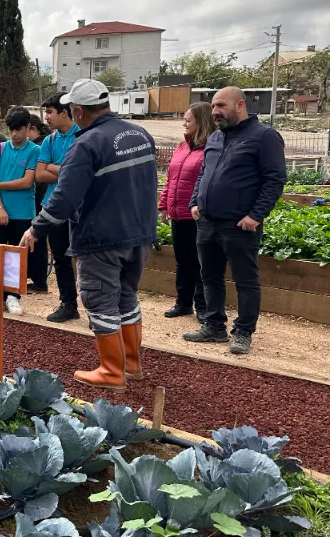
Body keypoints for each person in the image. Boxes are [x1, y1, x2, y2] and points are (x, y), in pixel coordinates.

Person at [21, 79, 157, 389]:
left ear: (79, 111)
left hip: (103, 235)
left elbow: (65, 198)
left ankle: (111, 370)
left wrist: (36, 228)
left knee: (99, 297)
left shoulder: (86, 144)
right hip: (141, 232)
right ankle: (131, 363)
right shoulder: (139, 133)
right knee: (126, 295)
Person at [184, 87, 287, 355]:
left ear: (240, 105)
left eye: (221, 106)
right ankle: (214, 325)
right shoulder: (216, 137)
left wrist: (255, 215)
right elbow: (204, 172)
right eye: (213, 107)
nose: (215, 112)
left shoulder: (264, 137)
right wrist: (195, 201)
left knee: (246, 281)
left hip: (239, 225)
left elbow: (275, 180)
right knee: (210, 276)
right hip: (208, 222)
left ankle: (243, 332)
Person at [159, 102, 217, 322]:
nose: (184, 123)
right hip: (177, 213)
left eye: (188, 120)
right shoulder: (181, 147)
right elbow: (170, 179)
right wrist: (164, 204)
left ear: (201, 122)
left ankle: (202, 305)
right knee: (183, 260)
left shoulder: (211, 149)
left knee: (201, 261)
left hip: (197, 215)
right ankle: (183, 303)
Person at [0, 107, 40, 314]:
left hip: (23, 212)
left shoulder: (35, 150)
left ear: (28, 128)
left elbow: (26, 182)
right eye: (11, 130)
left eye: (19, 129)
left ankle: (13, 296)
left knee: (17, 256)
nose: (14, 134)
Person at [36, 93, 82, 322]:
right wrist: (67, 170)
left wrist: (55, 168)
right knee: (61, 258)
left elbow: (83, 174)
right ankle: (68, 303)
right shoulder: (49, 141)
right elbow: (39, 173)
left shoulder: (83, 136)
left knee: (86, 258)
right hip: (54, 207)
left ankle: (96, 306)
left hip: (80, 208)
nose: (46, 117)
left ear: (64, 113)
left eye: (50, 112)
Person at [26, 114, 52, 293]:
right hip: (43, 196)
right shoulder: (47, 142)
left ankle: (40, 281)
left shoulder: (40, 146)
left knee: (38, 240)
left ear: (32, 129)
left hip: (41, 197)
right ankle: (38, 279)